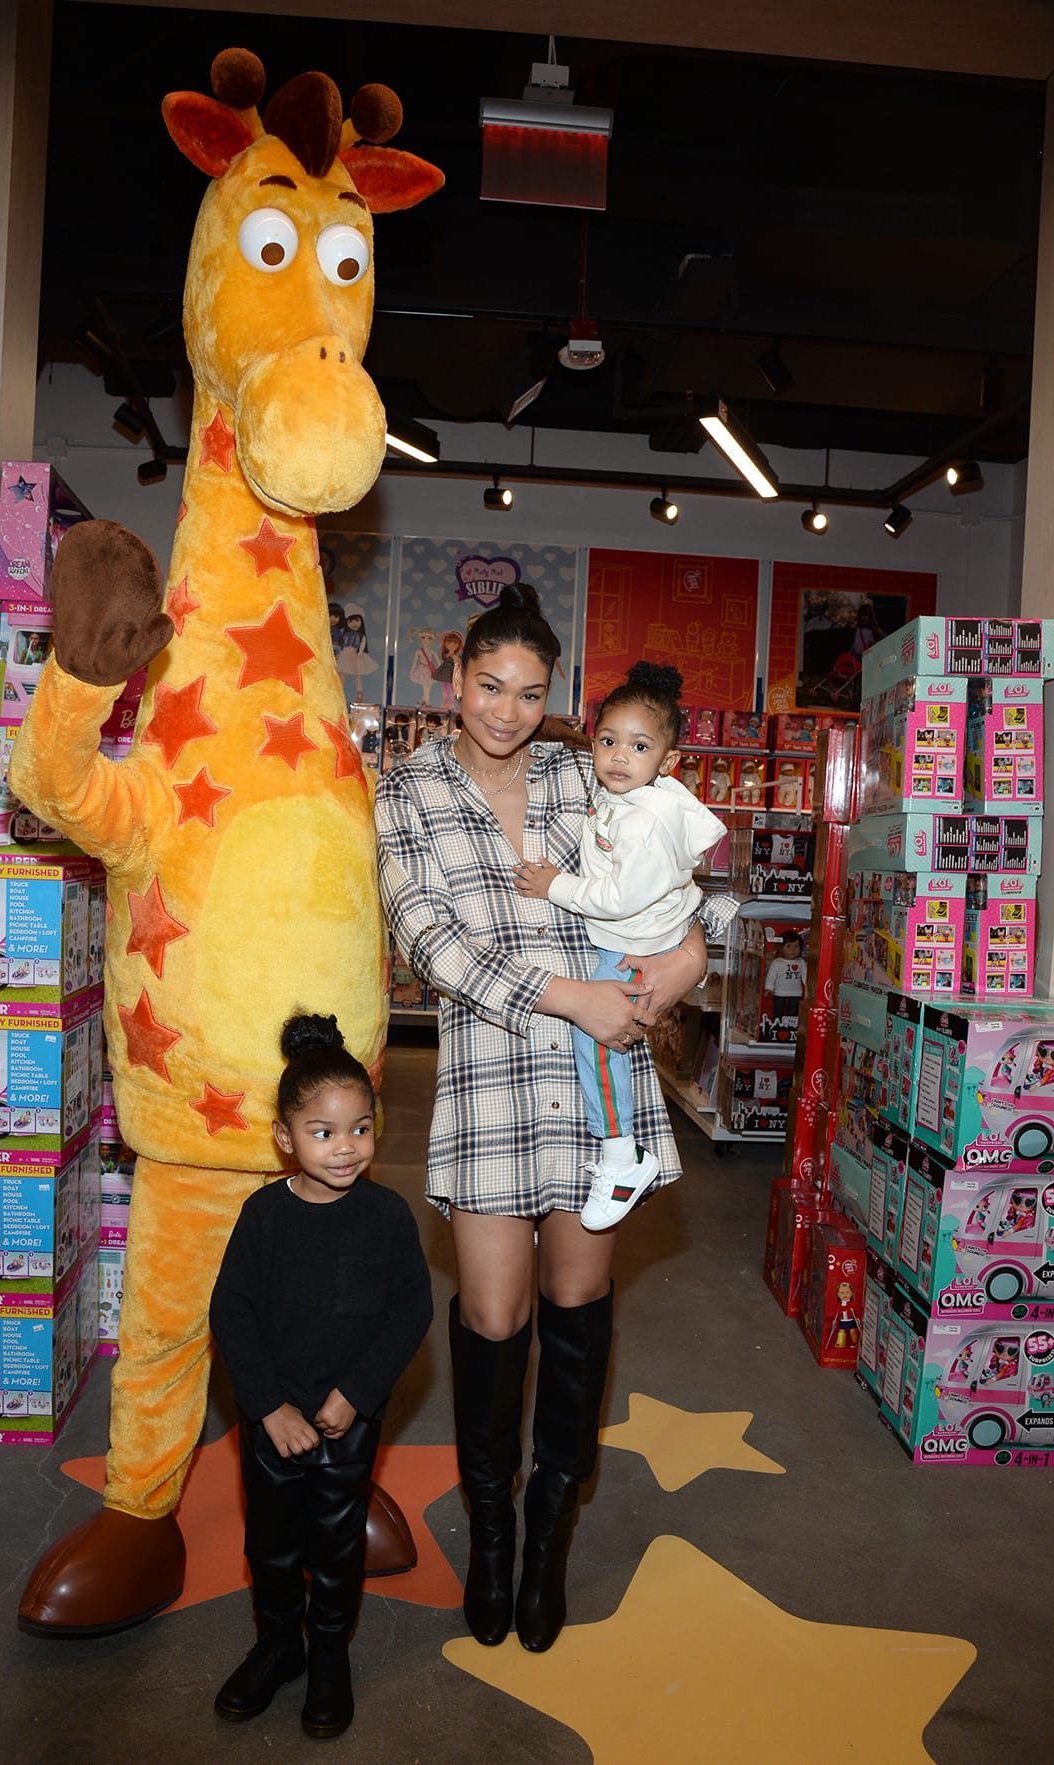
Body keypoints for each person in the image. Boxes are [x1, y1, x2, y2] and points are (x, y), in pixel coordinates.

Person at [375, 581, 707, 1655]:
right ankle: (494, 1533)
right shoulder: (409, 789)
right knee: (492, 1315)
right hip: (487, 1087)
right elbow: (429, 943)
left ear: (551, 693)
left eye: (528, 691)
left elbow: (676, 891)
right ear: (454, 677)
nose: (508, 710)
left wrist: (681, 965)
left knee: (577, 1297)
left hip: (598, 1088)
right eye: (488, 685)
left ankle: (551, 1529)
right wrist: (573, 995)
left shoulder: (595, 768)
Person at [210, 1014, 432, 1739]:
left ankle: (329, 1651)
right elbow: (232, 1313)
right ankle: (280, 1644)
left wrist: (356, 1395)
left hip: (345, 1421)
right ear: (285, 1136)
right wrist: (269, 1405)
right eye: (324, 1132)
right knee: (271, 1542)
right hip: (275, 1421)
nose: (346, 1148)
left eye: (360, 1128)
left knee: (336, 1544)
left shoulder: (388, 1217)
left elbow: (410, 1312)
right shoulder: (263, 1217)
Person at [514, 662, 734, 1230]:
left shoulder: (645, 822)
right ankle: (617, 1149)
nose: (616, 756)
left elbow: (616, 896)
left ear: (667, 762)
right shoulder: (640, 793)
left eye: (637, 746)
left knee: (600, 1045)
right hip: (653, 933)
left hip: (632, 947)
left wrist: (552, 884)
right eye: (608, 741)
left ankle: (621, 1154)